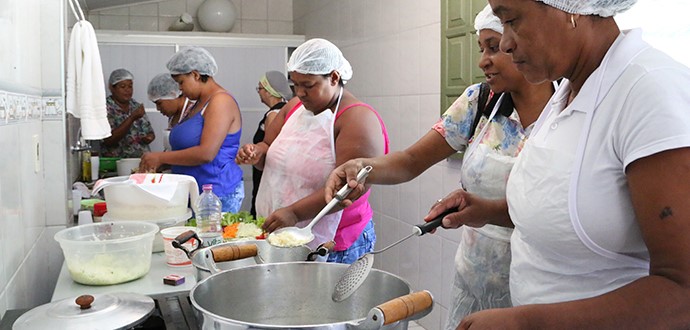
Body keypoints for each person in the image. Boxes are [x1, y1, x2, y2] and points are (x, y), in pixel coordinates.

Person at [424, 0, 690, 328]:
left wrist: (527, 323)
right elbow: (570, 206)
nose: (506, 43)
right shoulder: (567, 92)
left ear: (571, 9)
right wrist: (486, 210)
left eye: (512, 20)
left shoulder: (649, 92)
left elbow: (681, 292)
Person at [324, 6, 554, 327]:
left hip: (543, 294)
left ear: (523, 41)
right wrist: (362, 167)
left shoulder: (567, 109)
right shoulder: (480, 101)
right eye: (481, 48)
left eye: (493, 46)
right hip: (474, 279)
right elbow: (410, 161)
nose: (482, 60)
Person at [236, 38, 389, 262]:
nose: (300, 93)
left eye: (308, 85)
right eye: (294, 85)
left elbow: (350, 188)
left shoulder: (358, 119)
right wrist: (256, 153)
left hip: (334, 242)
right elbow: (267, 147)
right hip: (286, 234)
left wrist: (295, 212)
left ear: (334, 77)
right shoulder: (295, 107)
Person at [139, 47, 244, 213]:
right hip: (194, 192)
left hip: (216, 193)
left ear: (195, 75)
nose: (180, 89)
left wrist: (161, 157)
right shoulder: (197, 104)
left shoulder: (220, 101)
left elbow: (206, 153)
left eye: (181, 82)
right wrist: (162, 163)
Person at [249, 71, 293, 217]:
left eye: (260, 88)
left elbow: (273, 148)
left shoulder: (274, 115)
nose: (258, 93)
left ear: (269, 91)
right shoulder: (285, 110)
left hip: (268, 175)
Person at [101, 68, 155, 158]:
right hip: (117, 164)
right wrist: (131, 118)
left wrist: (149, 138)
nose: (128, 90)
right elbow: (109, 140)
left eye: (130, 86)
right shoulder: (105, 108)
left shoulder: (136, 106)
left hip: (140, 161)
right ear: (111, 88)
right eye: (123, 87)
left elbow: (150, 132)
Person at [147, 73, 195, 152]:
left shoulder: (193, 113)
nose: (158, 109)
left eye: (159, 103)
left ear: (173, 94)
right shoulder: (172, 116)